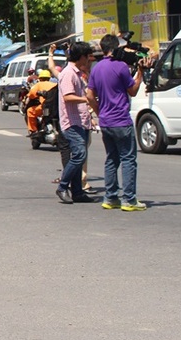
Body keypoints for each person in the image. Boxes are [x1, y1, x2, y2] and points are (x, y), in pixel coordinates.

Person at [87, 34, 151, 211]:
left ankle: (110, 197)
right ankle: (129, 200)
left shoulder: (96, 68)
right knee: (128, 159)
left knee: (111, 159)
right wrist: (140, 72)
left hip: (106, 122)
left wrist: (100, 113)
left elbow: (90, 96)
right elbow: (133, 90)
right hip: (121, 120)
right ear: (116, 48)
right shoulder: (121, 67)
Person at [55, 42, 97, 205]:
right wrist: (86, 99)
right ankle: (62, 187)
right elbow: (68, 97)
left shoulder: (79, 73)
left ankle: (77, 192)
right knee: (79, 155)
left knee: (81, 155)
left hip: (81, 121)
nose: (89, 60)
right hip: (71, 122)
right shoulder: (68, 73)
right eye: (87, 57)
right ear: (81, 57)